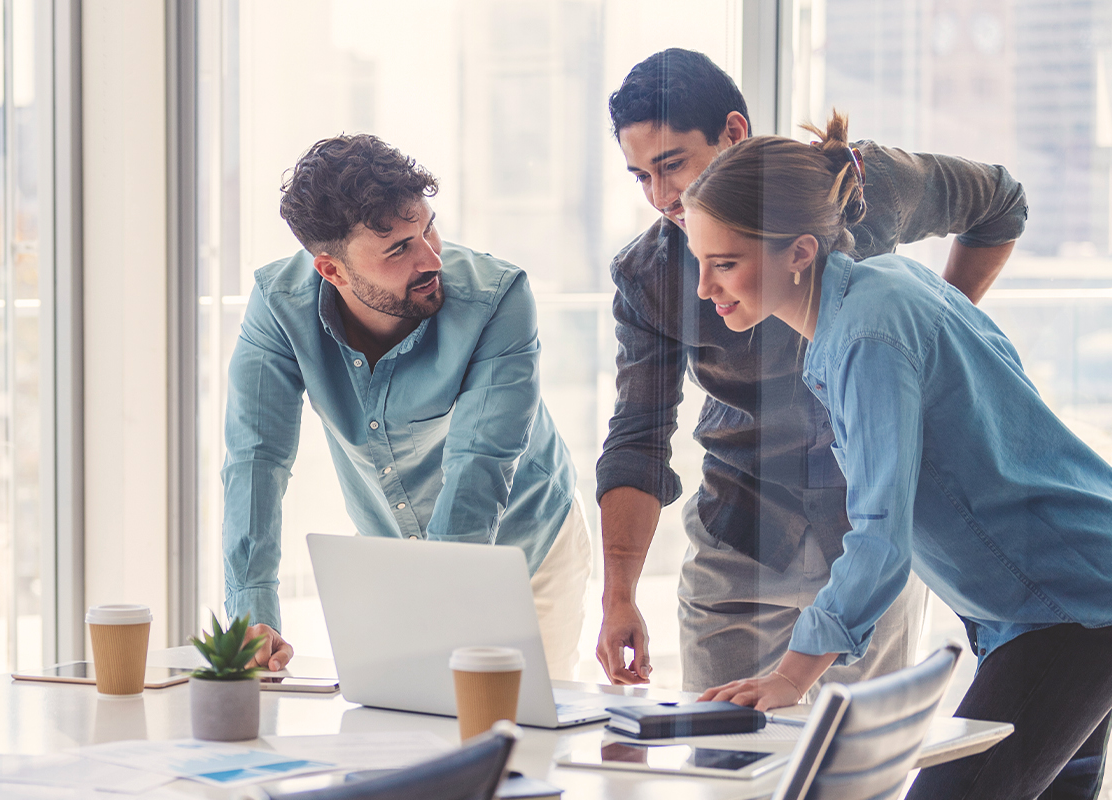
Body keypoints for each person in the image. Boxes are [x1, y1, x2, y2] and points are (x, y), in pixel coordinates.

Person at [686, 113, 1112, 800]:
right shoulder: (886, 288)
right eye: (701, 261)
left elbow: (879, 536)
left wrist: (792, 674)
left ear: (799, 252)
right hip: (1059, 593)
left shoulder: (867, 333)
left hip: (1071, 604)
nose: (705, 288)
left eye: (726, 263)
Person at [595, 48, 1029, 693]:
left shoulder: (857, 188)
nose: (662, 198)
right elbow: (638, 436)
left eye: (672, 166)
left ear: (734, 133)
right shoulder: (650, 273)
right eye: (640, 177)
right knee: (723, 772)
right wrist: (619, 595)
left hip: (869, 534)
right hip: (740, 532)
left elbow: (999, 202)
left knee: (853, 776)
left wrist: (936, 326)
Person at [222, 134, 591, 679]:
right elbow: (256, 459)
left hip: (525, 547)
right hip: (393, 554)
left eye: (427, 228)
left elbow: (479, 463)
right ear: (332, 271)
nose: (431, 257)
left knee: (518, 736)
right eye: (398, 248)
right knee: (399, 738)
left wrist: (436, 612)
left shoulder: (498, 298)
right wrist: (253, 616)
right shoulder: (280, 307)